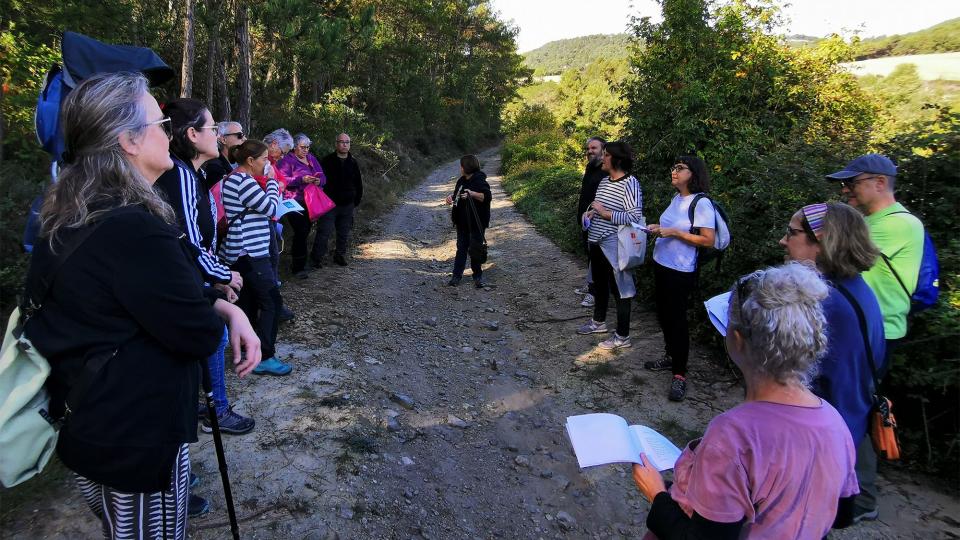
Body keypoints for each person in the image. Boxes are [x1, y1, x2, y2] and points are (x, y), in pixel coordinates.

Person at [23, 72, 260, 539]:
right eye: (160, 122)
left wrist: (223, 305)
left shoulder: (73, 211)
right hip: (135, 436)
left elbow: (137, 300)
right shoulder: (134, 228)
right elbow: (193, 332)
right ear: (128, 140)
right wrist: (216, 310)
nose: (168, 132)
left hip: (88, 423)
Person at [631, 263, 859, 539]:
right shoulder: (834, 422)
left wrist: (656, 493)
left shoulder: (732, 435)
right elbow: (844, 513)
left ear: (737, 340)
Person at [779, 202, 887, 523]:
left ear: (823, 241)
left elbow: (786, 376)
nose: (783, 241)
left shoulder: (824, 301)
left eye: (792, 233)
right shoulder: (854, 289)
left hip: (815, 448)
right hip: (844, 429)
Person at [154, 98, 256, 436]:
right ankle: (216, 411)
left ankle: (203, 407)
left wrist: (213, 278)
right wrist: (223, 274)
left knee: (211, 337)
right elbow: (188, 238)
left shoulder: (191, 174)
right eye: (212, 128)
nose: (217, 134)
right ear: (193, 135)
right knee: (214, 335)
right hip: (183, 279)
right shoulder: (180, 174)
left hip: (194, 276)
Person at [643, 156, 716, 401]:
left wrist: (674, 232)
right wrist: (656, 227)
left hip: (681, 270)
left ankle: (679, 374)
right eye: (673, 167)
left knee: (677, 320)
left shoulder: (701, 203)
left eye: (680, 168)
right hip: (662, 263)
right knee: (663, 316)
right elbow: (670, 226)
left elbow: (707, 239)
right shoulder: (677, 199)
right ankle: (670, 356)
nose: (674, 171)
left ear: (693, 173)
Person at [220, 140, 292, 376]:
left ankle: (247, 351)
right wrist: (273, 183)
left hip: (243, 251)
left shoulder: (237, 179)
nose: (268, 164)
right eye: (264, 159)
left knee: (248, 303)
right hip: (251, 251)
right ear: (251, 161)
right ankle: (265, 356)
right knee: (272, 302)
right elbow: (271, 209)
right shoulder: (242, 180)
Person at [576, 141, 643, 350]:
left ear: (616, 159)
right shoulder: (604, 182)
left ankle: (623, 336)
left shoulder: (630, 183)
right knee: (600, 284)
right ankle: (598, 322)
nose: (602, 158)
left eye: (606, 155)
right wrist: (591, 213)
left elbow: (634, 215)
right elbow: (598, 207)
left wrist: (606, 213)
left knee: (620, 289)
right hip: (596, 241)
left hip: (616, 245)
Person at [277, 133, 327, 277]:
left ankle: (301, 264)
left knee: (305, 231)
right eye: (303, 147)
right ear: (295, 147)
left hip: (311, 200)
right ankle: (298, 267)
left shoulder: (311, 158)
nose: (306, 150)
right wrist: (301, 179)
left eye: (308, 147)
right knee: (301, 231)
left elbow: (323, 176)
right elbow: (282, 179)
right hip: (294, 201)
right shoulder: (287, 160)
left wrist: (318, 181)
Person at [444, 154, 492, 288]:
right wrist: (450, 198)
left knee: (475, 249)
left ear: (465, 167)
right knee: (461, 248)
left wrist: (472, 194)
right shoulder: (461, 181)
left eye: (461, 166)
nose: (460, 168)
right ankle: (456, 276)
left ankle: (477, 276)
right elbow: (457, 196)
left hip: (476, 223)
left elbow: (486, 197)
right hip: (462, 222)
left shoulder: (480, 180)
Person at [317, 133, 364, 266]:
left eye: (347, 142)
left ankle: (340, 256)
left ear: (349, 144)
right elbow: (319, 182)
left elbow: (358, 183)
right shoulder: (327, 161)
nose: (344, 144)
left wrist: (356, 200)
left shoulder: (353, 162)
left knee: (343, 233)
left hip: (347, 204)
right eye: (341, 142)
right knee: (324, 232)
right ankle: (317, 259)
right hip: (329, 204)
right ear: (336, 143)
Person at [575, 136, 606, 308]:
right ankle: (590, 284)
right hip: (586, 220)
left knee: (597, 257)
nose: (589, 151)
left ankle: (595, 292)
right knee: (589, 255)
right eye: (588, 149)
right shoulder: (590, 167)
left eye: (594, 148)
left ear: (603, 150)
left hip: (599, 221)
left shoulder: (605, 171)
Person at [201, 120, 246, 187]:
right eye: (239, 135)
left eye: (243, 135)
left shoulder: (241, 163)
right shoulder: (215, 168)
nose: (244, 139)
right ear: (223, 140)